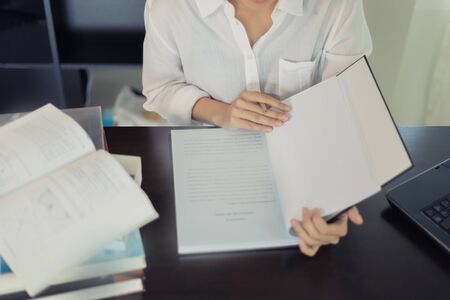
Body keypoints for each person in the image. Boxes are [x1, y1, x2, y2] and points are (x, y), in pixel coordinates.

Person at [142, 0, 372, 256]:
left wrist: (336, 205)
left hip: (304, 163)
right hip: (206, 169)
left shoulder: (338, 5)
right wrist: (221, 112)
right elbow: (161, 88)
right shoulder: (169, 6)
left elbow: (342, 105)